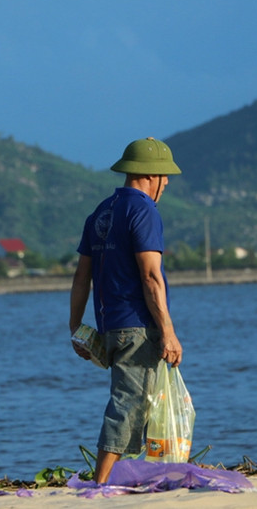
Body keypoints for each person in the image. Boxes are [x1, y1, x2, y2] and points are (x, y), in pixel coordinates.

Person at [69, 136, 184, 484]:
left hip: (109, 326)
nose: (166, 185)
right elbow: (151, 277)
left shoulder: (101, 212)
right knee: (129, 403)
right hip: (137, 325)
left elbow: (81, 278)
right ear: (152, 175)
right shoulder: (144, 210)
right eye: (165, 178)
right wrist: (168, 332)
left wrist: (77, 328)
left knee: (143, 403)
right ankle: (100, 484)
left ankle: (136, 474)